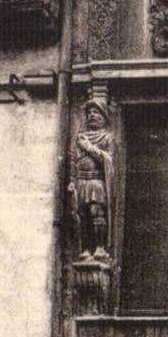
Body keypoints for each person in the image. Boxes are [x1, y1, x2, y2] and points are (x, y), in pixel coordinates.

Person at [72, 100, 114, 256]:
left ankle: (100, 247)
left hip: (97, 181)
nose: (92, 115)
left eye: (96, 112)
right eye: (89, 113)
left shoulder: (107, 138)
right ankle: (85, 249)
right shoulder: (80, 137)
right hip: (81, 181)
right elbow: (72, 160)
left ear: (103, 117)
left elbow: (108, 160)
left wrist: (88, 147)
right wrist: (71, 180)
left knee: (96, 212)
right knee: (82, 216)